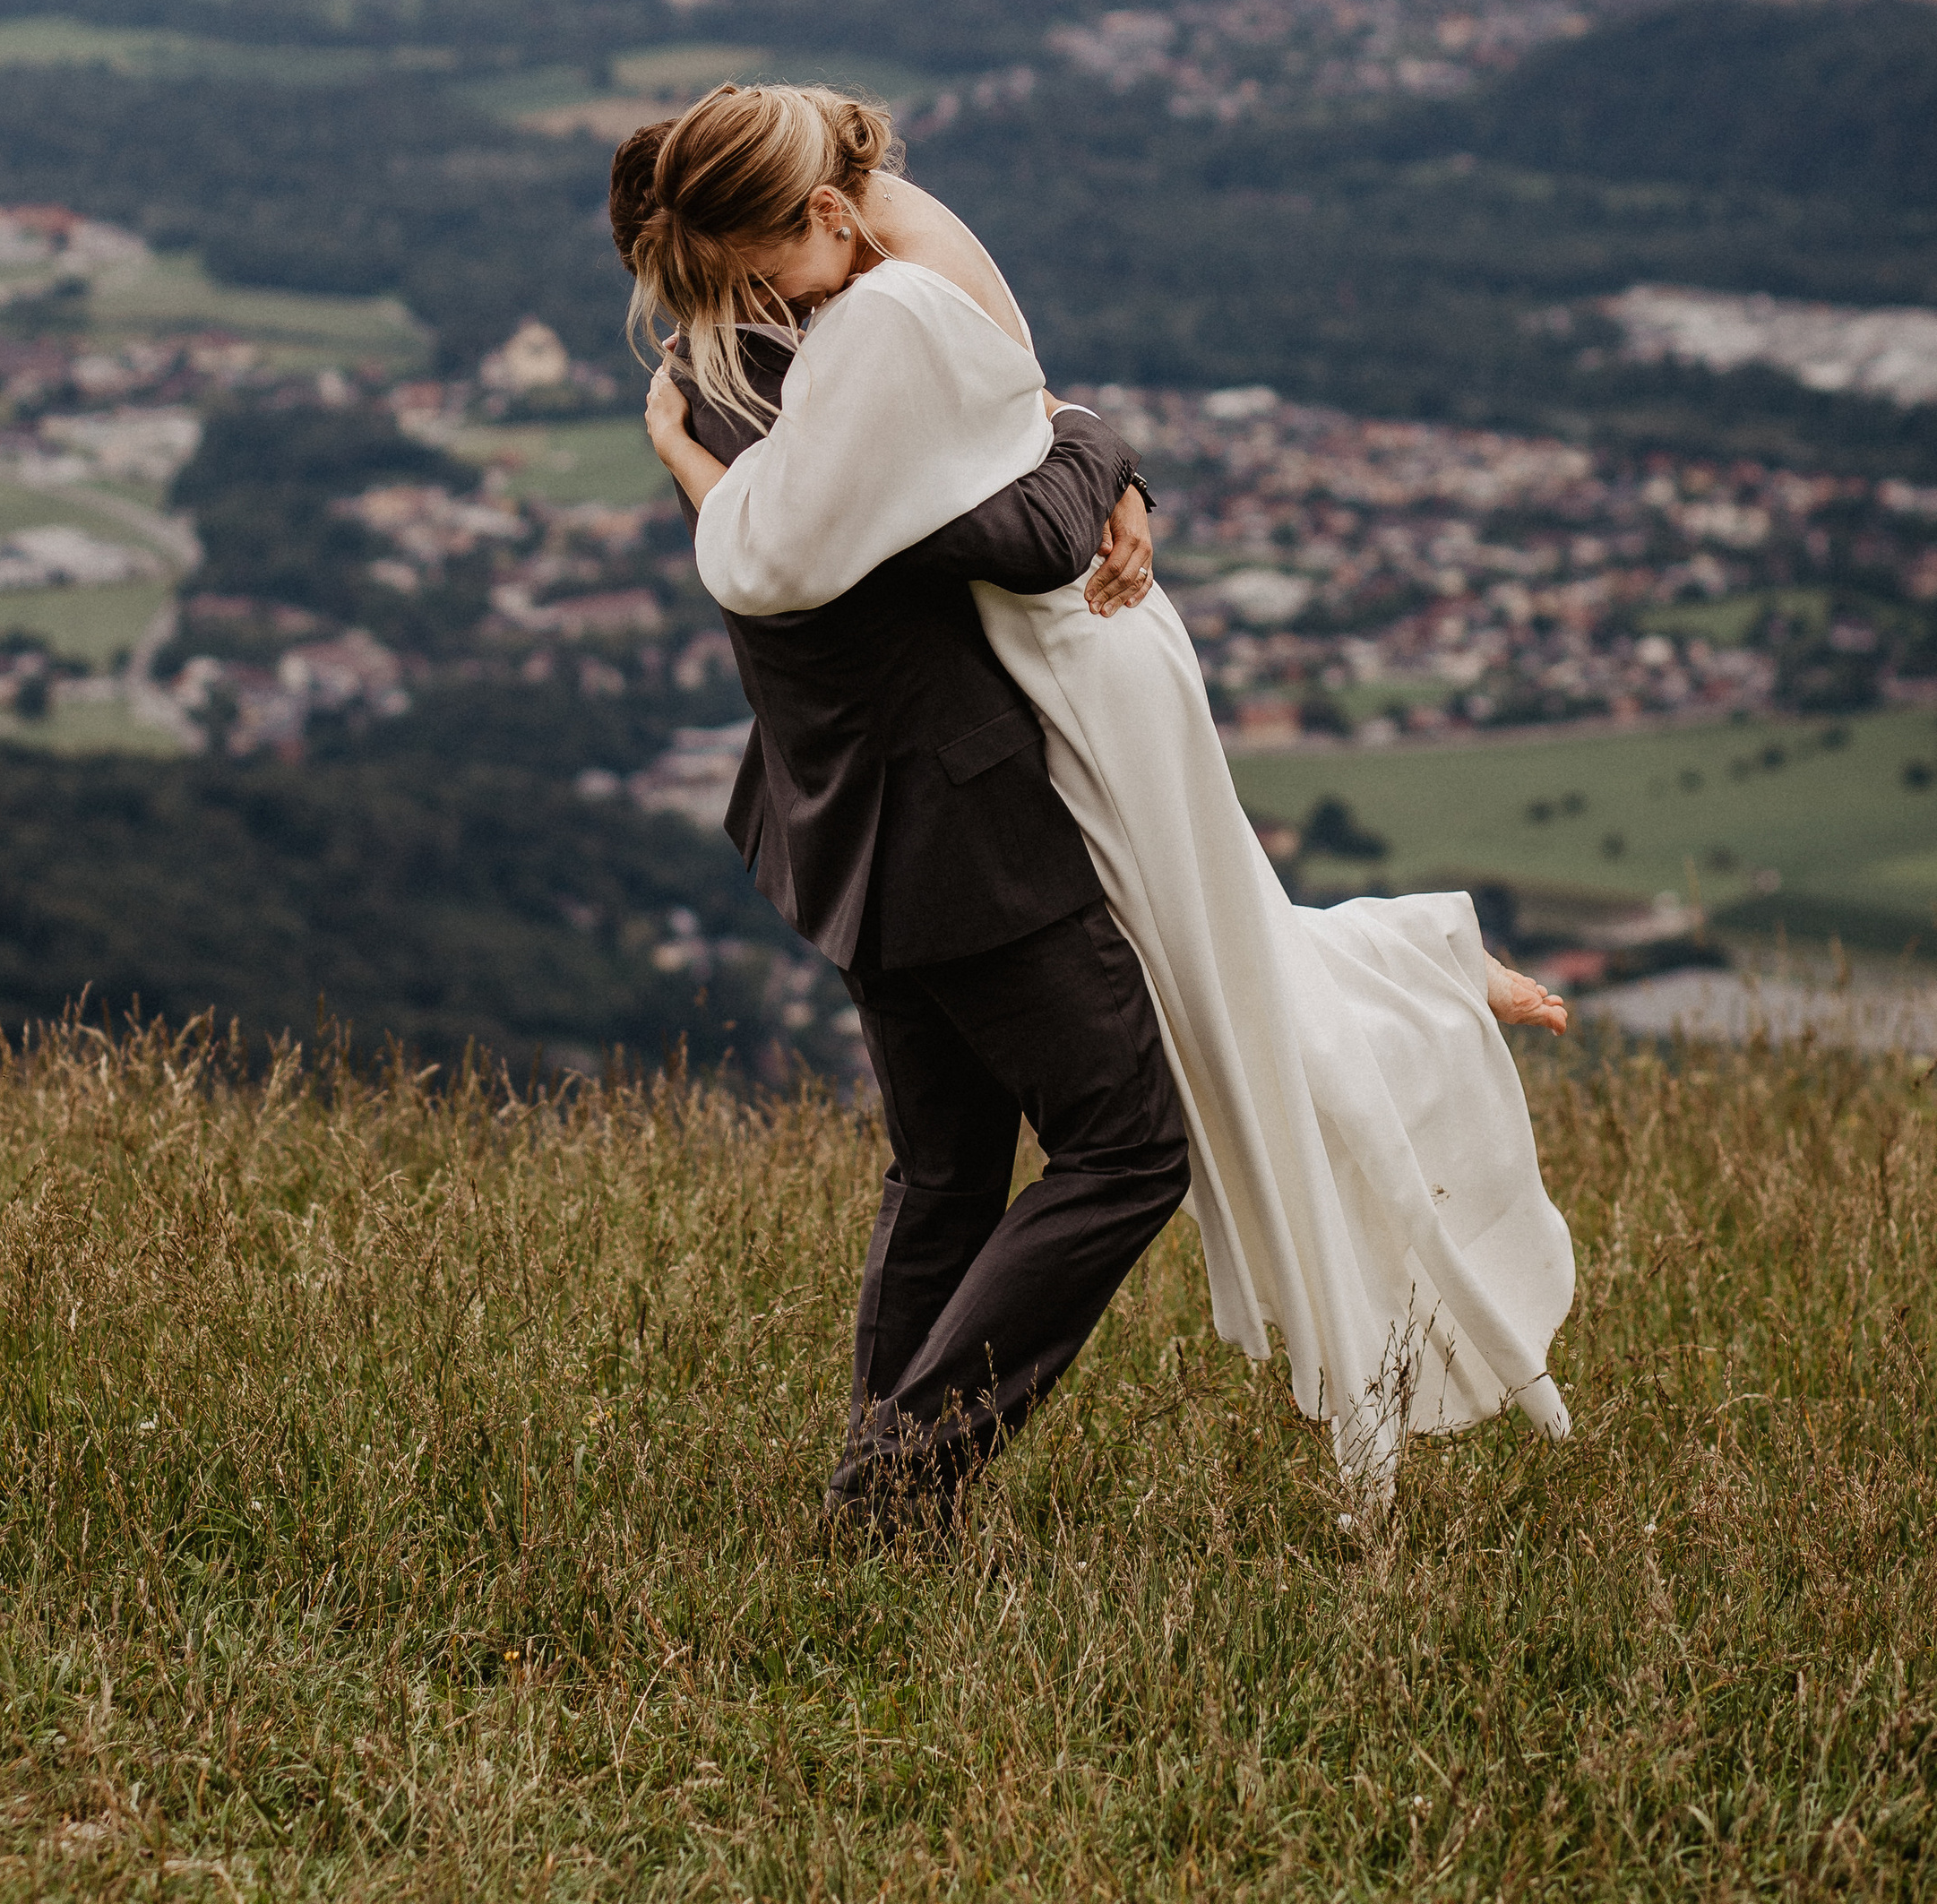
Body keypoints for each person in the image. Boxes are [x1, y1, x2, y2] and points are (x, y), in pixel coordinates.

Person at [616, 82, 1576, 1509]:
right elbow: (1024, 530)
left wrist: (1091, 433)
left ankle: (884, 1504)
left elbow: (999, 439)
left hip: (861, 827)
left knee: (947, 1168)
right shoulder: (804, 370)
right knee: (1125, 1149)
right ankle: (894, 1481)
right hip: (962, 830)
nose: (752, 285)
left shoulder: (767, 351)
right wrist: (1099, 451)